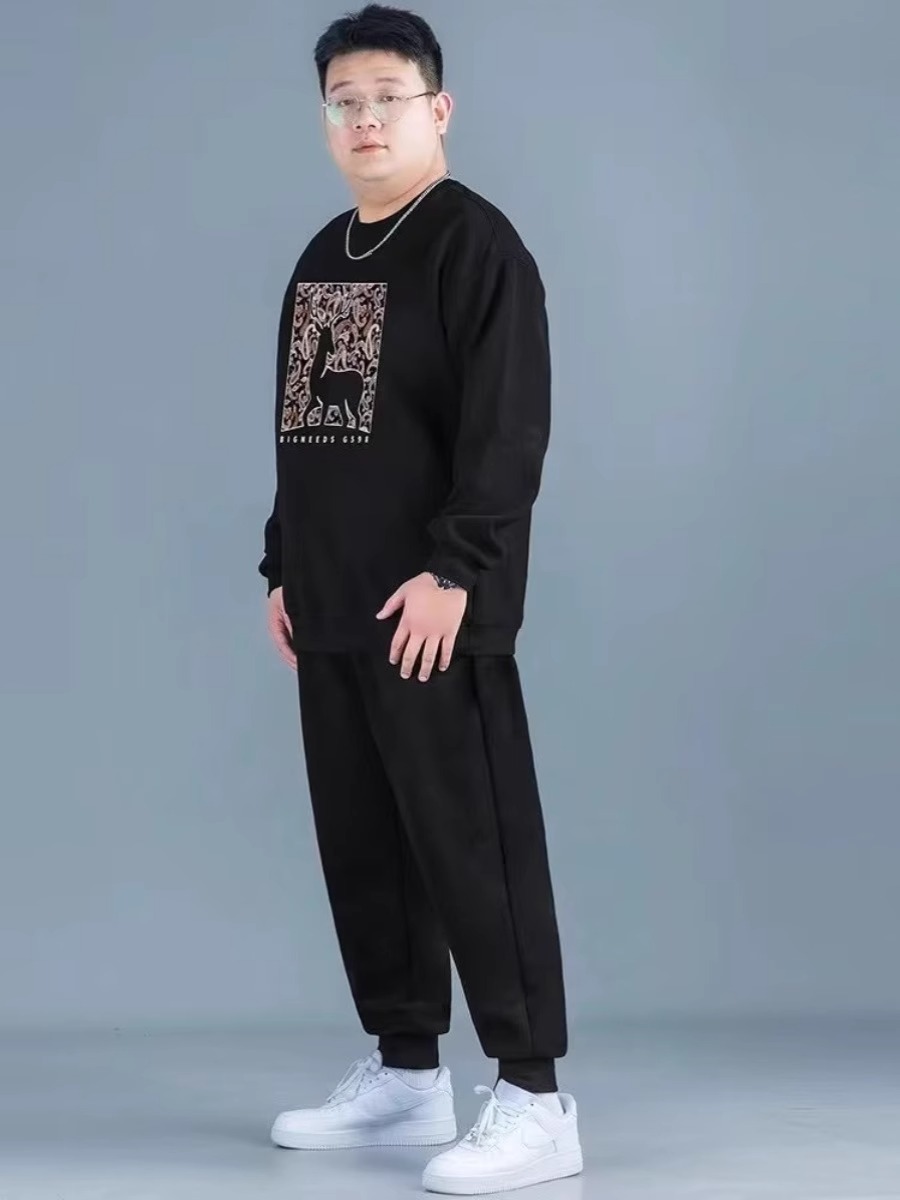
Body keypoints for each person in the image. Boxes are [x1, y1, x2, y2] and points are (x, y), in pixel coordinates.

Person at [257, 5, 582, 1193]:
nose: (365, 119)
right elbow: (312, 432)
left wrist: (457, 571)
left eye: (386, 97)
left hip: (435, 607)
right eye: (344, 101)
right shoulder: (323, 257)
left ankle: (536, 1097)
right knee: (367, 845)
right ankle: (407, 1073)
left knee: (472, 842)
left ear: (437, 108)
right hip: (335, 604)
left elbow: (508, 431)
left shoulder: (474, 248)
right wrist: (282, 565)